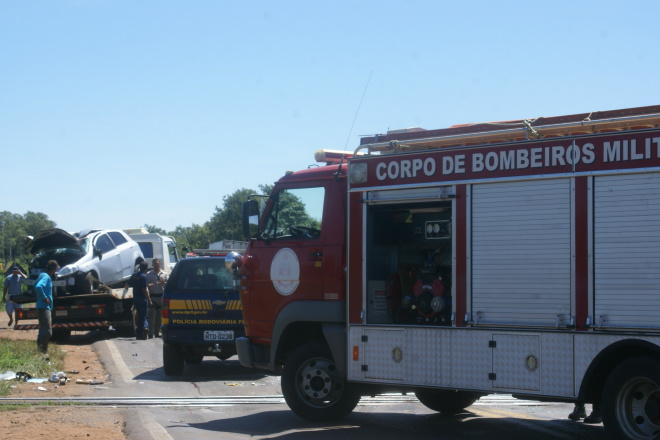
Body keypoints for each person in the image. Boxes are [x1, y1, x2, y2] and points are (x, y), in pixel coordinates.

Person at [34, 260, 59, 353]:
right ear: (53, 268)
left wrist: (39, 297)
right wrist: (44, 298)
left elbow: (34, 285)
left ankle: (40, 352)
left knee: (43, 329)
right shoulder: (46, 277)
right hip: (44, 307)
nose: (56, 271)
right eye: (56, 269)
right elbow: (38, 287)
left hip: (41, 306)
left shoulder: (42, 274)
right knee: (47, 332)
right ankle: (43, 352)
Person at [129, 261, 152, 340]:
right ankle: (145, 328)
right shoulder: (143, 276)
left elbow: (128, 284)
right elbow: (144, 289)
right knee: (144, 316)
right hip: (142, 299)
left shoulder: (134, 275)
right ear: (146, 268)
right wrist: (149, 300)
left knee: (139, 316)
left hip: (136, 298)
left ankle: (139, 334)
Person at [146, 258, 168, 338]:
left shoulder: (164, 274)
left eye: (157, 263)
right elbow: (145, 285)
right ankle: (150, 333)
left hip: (161, 296)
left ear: (160, 264)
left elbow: (168, 285)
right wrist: (150, 285)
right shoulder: (149, 274)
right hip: (153, 297)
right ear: (152, 265)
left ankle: (157, 332)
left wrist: (163, 283)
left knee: (160, 317)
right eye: (154, 264)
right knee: (151, 316)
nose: (156, 265)